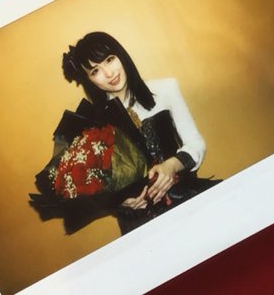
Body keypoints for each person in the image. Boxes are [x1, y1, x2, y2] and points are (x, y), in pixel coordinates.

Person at [57, 31, 215, 234]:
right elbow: (92, 187)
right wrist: (118, 201)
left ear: (121, 55)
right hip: (138, 223)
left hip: (185, 200)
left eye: (109, 60)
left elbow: (196, 143)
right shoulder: (92, 123)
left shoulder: (166, 88)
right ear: (89, 79)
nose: (108, 73)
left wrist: (172, 165)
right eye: (95, 71)